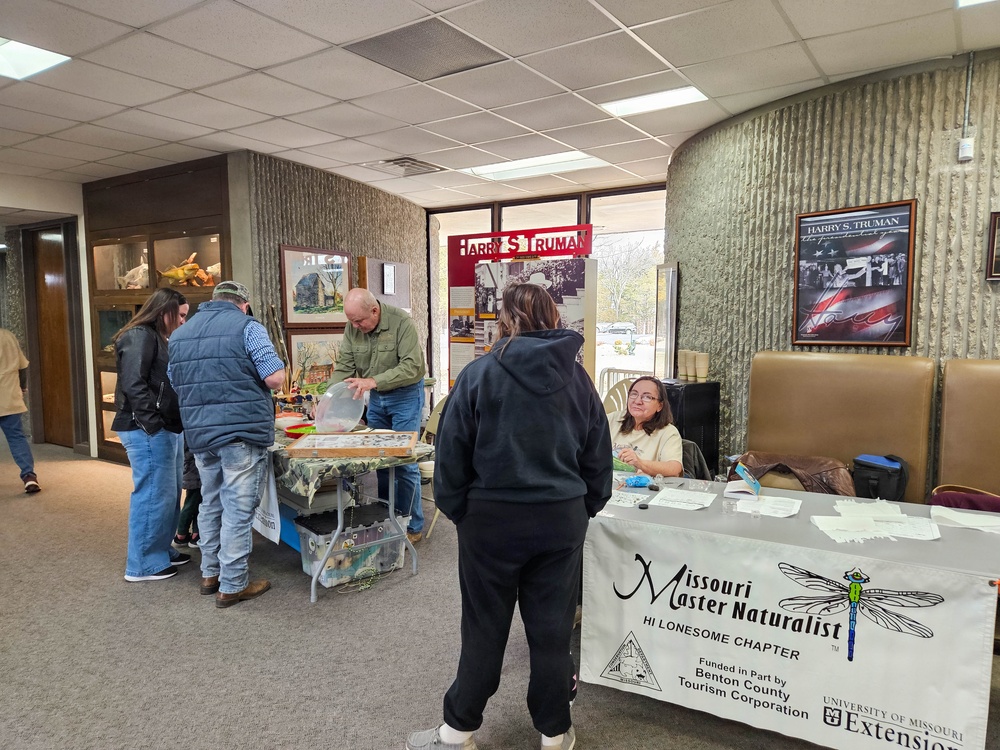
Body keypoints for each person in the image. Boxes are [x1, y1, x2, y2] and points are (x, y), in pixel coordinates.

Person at [406, 283, 612, 750]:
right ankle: (555, 734)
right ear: (554, 318)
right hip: (560, 521)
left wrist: (459, 511)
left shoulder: (478, 375)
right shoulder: (580, 380)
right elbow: (599, 456)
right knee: (552, 630)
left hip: (491, 522)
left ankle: (457, 732)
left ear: (505, 319)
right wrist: (585, 507)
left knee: (483, 626)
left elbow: (451, 456)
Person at [168, 280, 285, 608]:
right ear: (244, 304)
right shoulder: (248, 327)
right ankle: (232, 585)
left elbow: (176, 382)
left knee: (211, 502)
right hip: (241, 434)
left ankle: (210, 574)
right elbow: (274, 377)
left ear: (212, 301)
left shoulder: (180, 335)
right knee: (238, 508)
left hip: (201, 434)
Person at [331, 288, 426, 543]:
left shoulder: (401, 323)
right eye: (351, 321)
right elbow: (345, 365)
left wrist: (374, 381)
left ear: (375, 310)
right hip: (375, 397)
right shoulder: (353, 327)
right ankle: (388, 516)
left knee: (404, 461)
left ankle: (412, 524)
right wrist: (330, 398)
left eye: (359, 321)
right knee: (381, 462)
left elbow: (412, 366)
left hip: (405, 395)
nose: (355, 326)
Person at [112, 288, 190, 582]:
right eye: (180, 315)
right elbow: (134, 384)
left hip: (163, 427)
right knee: (153, 493)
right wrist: (153, 425)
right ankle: (143, 562)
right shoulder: (140, 336)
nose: (184, 321)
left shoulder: (158, 337)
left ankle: (159, 547)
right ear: (164, 312)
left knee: (169, 493)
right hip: (145, 429)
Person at [609, 376, 683, 478]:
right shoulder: (613, 419)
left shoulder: (668, 432)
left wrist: (639, 463)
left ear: (660, 406)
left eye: (647, 397)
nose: (638, 401)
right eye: (634, 394)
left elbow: (675, 468)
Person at [0, 328, 40, 494]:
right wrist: (22, 386)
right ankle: (29, 477)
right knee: (16, 437)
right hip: (9, 396)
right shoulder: (7, 335)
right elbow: (22, 366)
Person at [173, 443, 202, 547]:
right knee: (195, 502)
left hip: (189, 467)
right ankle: (185, 534)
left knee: (193, 502)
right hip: (195, 468)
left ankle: (190, 533)